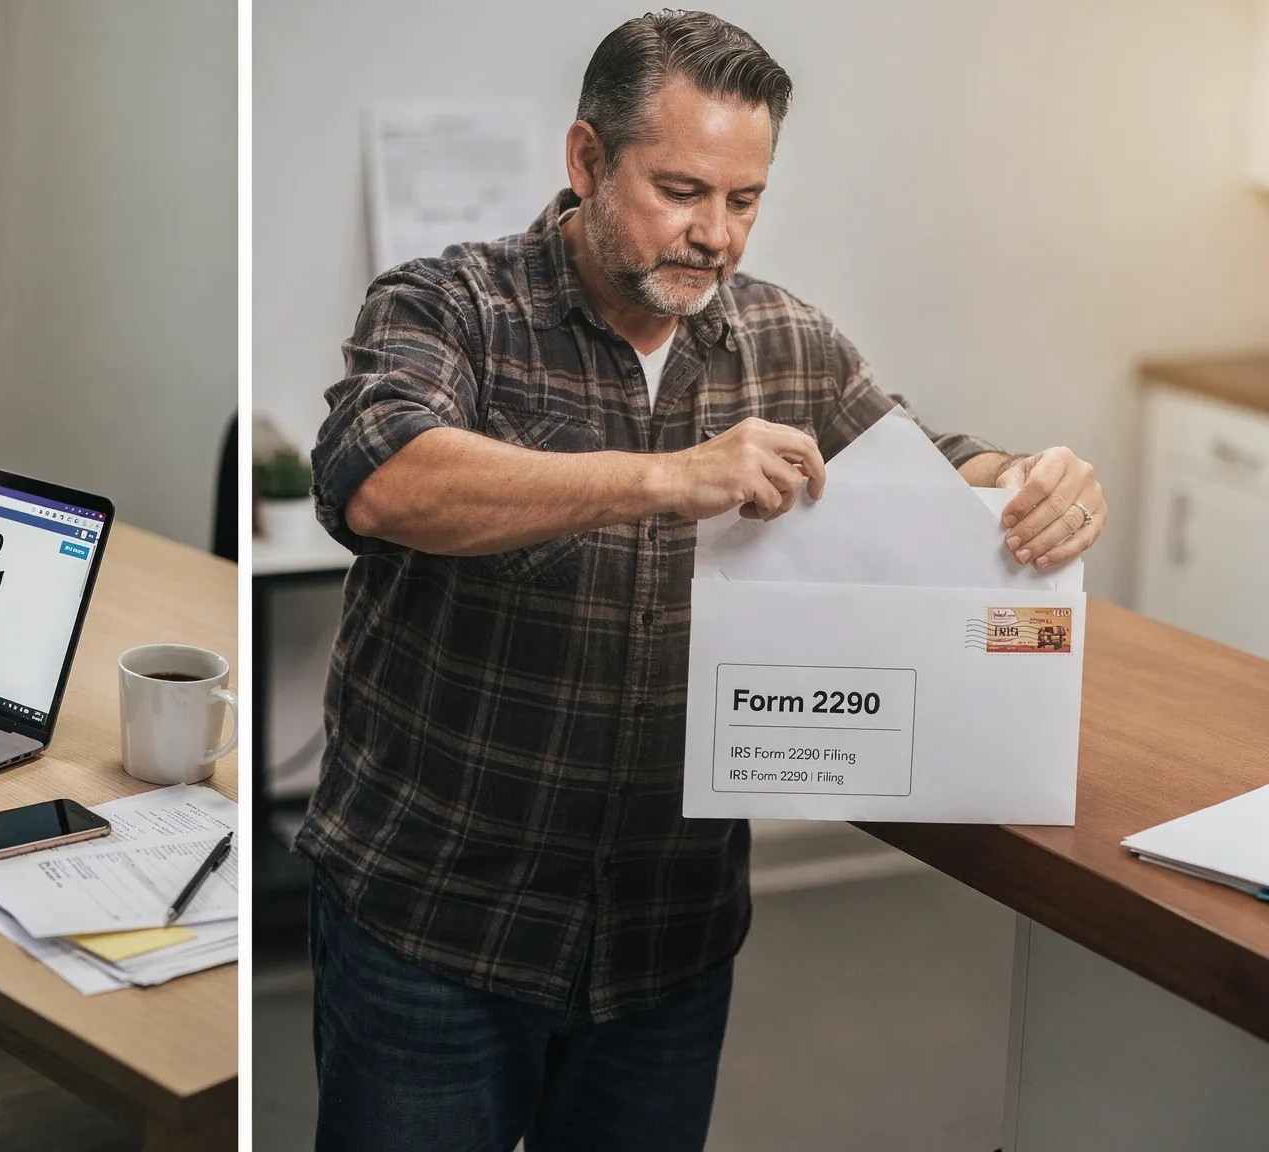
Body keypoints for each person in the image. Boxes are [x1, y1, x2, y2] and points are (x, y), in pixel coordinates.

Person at [301, 12, 1105, 1151]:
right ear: (585, 162)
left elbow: (939, 470)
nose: (714, 235)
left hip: (662, 943)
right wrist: (660, 478)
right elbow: (380, 477)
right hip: (436, 925)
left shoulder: (789, 342)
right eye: (680, 190)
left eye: (743, 200)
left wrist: (1030, 480)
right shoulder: (448, 307)